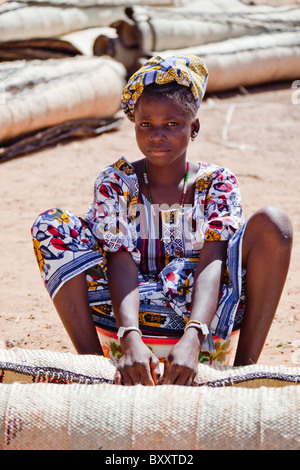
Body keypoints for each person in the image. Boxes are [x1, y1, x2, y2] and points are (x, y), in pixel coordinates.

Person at [31, 55, 293, 386]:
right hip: (125, 324)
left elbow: (212, 261)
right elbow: (119, 259)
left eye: (172, 124)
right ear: (135, 126)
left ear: (193, 127)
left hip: (200, 325)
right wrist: (129, 337)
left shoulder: (217, 183)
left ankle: (242, 375)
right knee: (51, 224)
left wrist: (194, 336)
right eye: (146, 125)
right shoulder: (116, 182)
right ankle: (94, 369)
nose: (158, 136)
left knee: (274, 223)